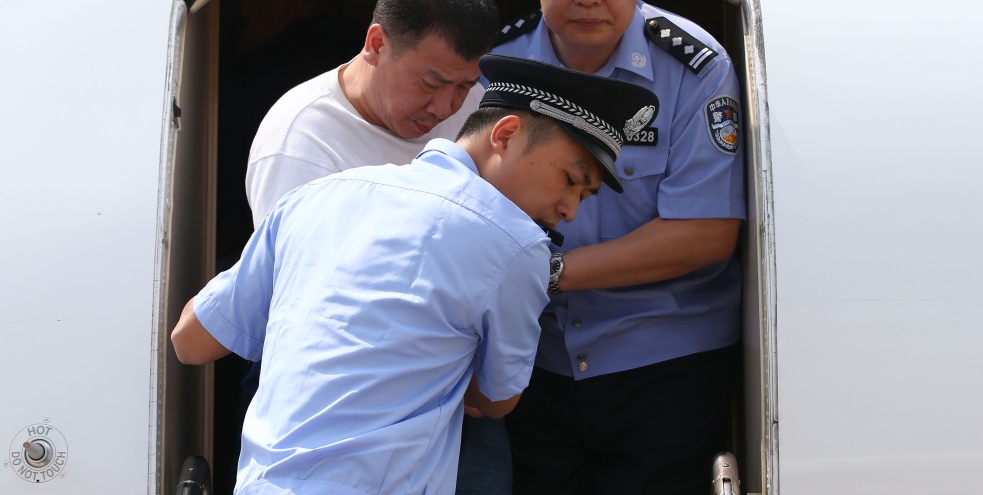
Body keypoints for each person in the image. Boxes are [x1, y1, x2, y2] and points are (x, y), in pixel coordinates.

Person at [171, 54, 660, 495]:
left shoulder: (319, 197)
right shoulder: (517, 246)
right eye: (571, 181)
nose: (570, 209)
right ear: (506, 134)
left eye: (584, 196)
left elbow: (190, 341)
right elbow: (496, 400)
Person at [494, 0, 747, 494]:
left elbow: (706, 233)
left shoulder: (694, 68)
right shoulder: (493, 69)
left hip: (663, 359)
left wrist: (550, 274)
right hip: (533, 358)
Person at [245, 0, 500, 226]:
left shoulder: (475, 103)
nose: (445, 108)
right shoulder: (300, 143)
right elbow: (298, 264)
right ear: (376, 45)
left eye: (464, 86)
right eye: (430, 84)